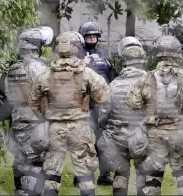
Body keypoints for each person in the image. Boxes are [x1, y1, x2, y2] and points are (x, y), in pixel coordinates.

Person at [28, 31, 110, 196]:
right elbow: (103, 97)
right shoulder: (85, 72)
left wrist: (47, 111)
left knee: (52, 173)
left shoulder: (45, 74)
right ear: (77, 48)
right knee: (85, 173)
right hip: (80, 128)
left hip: (54, 128)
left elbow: (32, 101)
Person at [126, 36, 183, 195]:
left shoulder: (147, 77)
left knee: (152, 178)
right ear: (178, 54)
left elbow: (132, 103)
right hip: (181, 133)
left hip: (154, 133)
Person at [0, 26, 53, 196]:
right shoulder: (39, 68)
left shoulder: (11, 69)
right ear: (36, 46)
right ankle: (32, 192)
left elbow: (5, 93)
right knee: (37, 160)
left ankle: (20, 189)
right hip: (37, 121)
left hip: (17, 119)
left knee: (20, 158)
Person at [98, 36, 148, 195]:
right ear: (142, 60)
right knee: (143, 174)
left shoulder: (113, 85)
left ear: (123, 61)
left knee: (120, 173)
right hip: (143, 138)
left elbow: (103, 117)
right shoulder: (151, 82)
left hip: (117, 139)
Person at [78, 22, 116, 185]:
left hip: (101, 105)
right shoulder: (77, 54)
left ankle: (104, 174)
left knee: (103, 141)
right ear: (83, 38)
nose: (92, 38)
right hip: (84, 105)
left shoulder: (103, 54)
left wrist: (111, 67)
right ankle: (82, 175)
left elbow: (112, 78)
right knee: (83, 142)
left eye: (94, 35)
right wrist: (82, 63)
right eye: (89, 36)